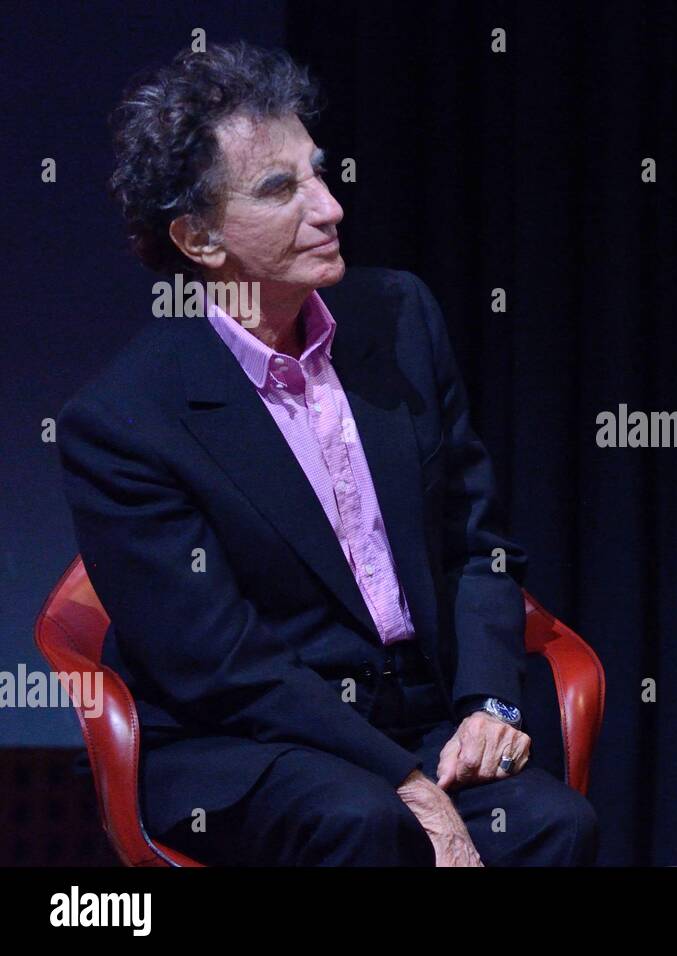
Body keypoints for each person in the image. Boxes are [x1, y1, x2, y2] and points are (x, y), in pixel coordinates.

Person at [56, 42, 596, 866]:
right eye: (282, 190)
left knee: (556, 826)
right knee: (366, 825)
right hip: (251, 743)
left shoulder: (399, 317)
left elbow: (477, 544)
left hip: (418, 716)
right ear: (200, 239)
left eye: (320, 172)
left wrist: (491, 703)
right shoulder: (125, 421)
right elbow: (219, 667)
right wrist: (405, 784)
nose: (331, 206)